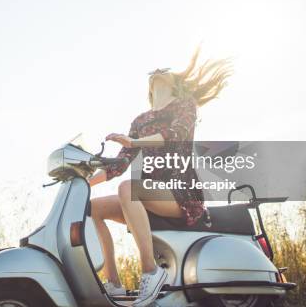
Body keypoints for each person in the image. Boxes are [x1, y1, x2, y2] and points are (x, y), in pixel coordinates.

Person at [88, 47, 232, 307]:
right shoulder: (141, 120)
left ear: (175, 82)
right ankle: (114, 282)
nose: (157, 72)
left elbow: (176, 134)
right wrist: (84, 182)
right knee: (92, 208)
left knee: (128, 189)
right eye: (153, 73)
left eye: (164, 71)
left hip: (181, 194)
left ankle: (150, 272)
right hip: (150, 195)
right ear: (149, 90)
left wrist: (133, 141)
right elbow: (120, 163)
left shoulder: (185, 106)